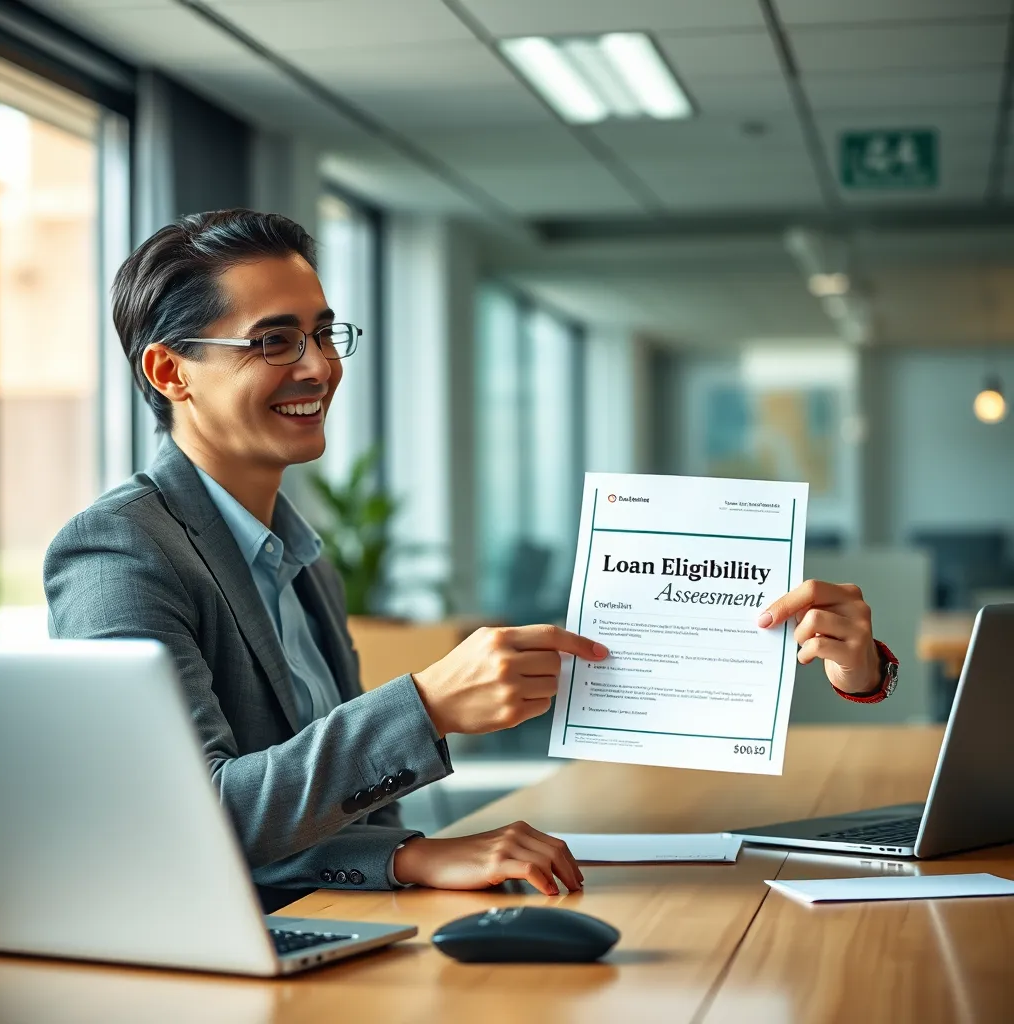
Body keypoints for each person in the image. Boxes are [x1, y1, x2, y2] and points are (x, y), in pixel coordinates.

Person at [44, 210, 897, 901]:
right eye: (273, 341)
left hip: (342, 929)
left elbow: (307, 817)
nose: (319, 366)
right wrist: (424, 708)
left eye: (324, 331)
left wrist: (834, 664)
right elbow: (182, 819)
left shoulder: (300, 558)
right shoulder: (120, 549)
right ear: (170, 371)